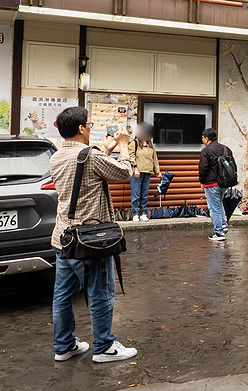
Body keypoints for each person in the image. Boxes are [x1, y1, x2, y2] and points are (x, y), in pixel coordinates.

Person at [50, 106, 138, 363]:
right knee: (100, 291)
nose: (90, 128)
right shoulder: (89, 156)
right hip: (90, 240)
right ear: (80, 128)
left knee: (63, 294)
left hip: (63, 238)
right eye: (89, 124)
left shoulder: (56, 157)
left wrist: (105, 150)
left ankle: (64, 345)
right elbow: (123, 173)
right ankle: (104, 347)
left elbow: (86, 170)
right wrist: (122, 146)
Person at [199, 127, 231, 241]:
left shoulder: (206, 151)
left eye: (203, 138)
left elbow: (203, 168)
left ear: (207, 138)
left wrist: (202, 181)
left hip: (211, 183)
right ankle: (223, 225)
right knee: (219, 204)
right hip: (225, 183)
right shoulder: (226, 149)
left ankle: (219, 233)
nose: (202, 140)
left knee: (214, 208)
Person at [129, 122, 161, 222]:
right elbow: (131, 156)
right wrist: (135, 168)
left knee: (144, 194)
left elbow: (155, 159)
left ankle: (143, 213)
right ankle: (134, 214)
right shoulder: (134, 144)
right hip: (137, 173)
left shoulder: (151, 145)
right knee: (135, 194)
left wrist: (158, 172)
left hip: (147, 172)